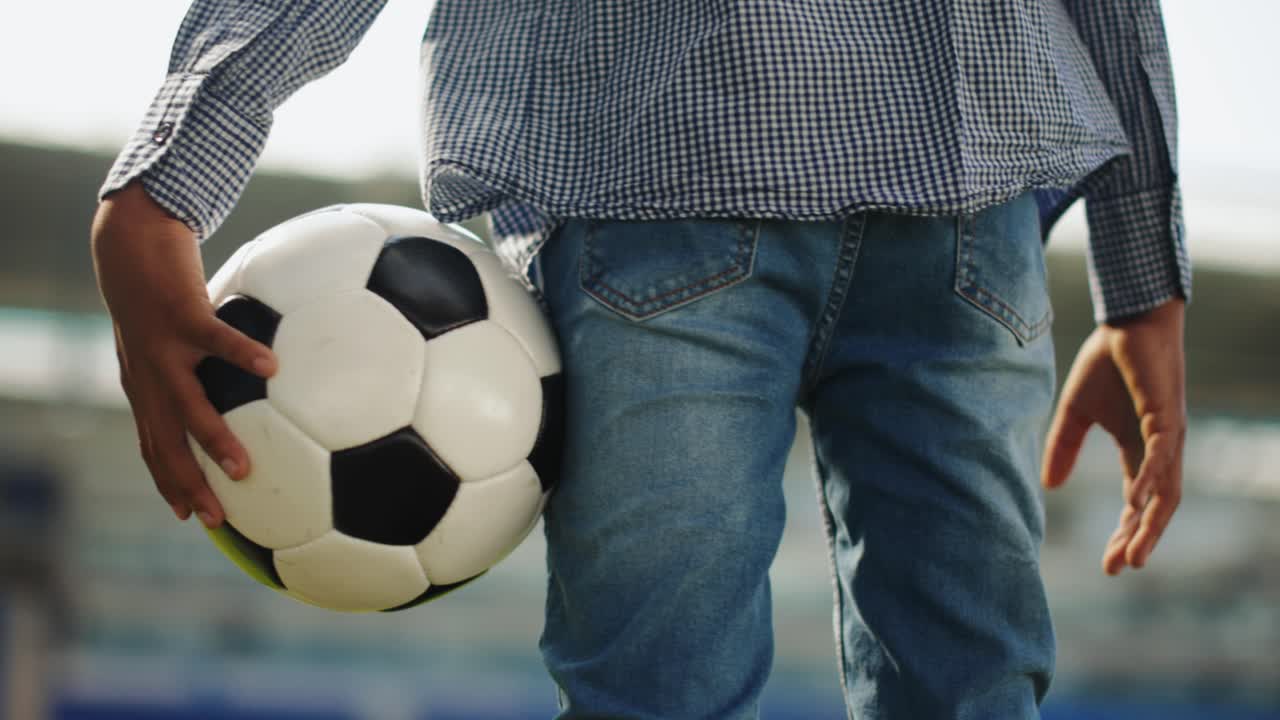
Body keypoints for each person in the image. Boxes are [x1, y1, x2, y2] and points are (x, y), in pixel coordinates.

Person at [91, 1, 1188, 717]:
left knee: (665, 693)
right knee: (969, 692)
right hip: (942, 156)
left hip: (674, 148)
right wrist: (1140, 270)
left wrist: (173, 171)